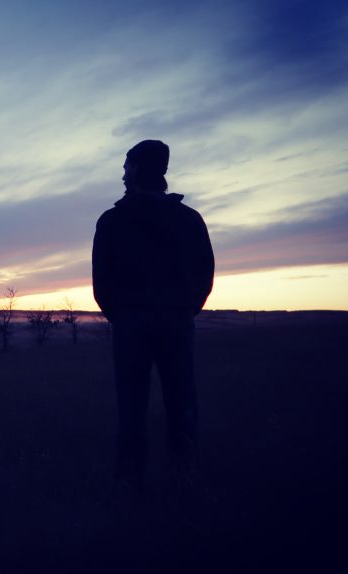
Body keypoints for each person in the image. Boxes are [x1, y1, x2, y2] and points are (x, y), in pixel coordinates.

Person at [91, 140, 215, 497]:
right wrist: (186, 309)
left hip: (133, 324)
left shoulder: (113, 220)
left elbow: (102, 280)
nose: (123, 174)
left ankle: (129, 484)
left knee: (132, 406)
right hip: (174, 322)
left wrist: (120, 315)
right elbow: (204, 273)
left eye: (127, 166)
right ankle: (184, 479)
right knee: (182, 402)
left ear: (140, 169)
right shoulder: (189, 219)